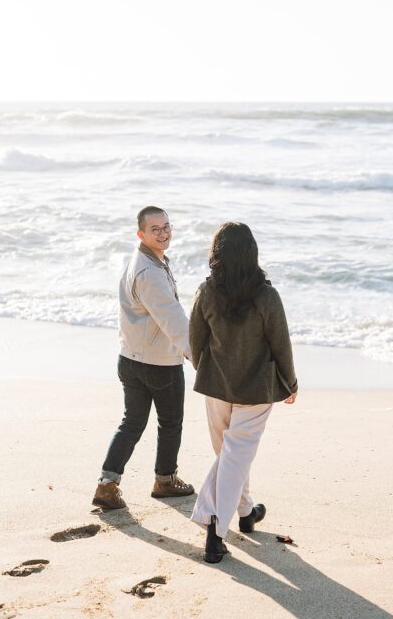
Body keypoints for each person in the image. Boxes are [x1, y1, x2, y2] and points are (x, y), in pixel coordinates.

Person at [188, 222, 297, 564]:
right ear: (253, 253)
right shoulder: (266, 295)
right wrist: (290, 383)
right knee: (235, 457)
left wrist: (208, 369)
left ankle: (247, 511)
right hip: (255, 388)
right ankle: (214, 530)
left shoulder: (206, 291)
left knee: (231, 455)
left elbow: (195, 342)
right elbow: (282, 344)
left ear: (216, 254)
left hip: (216, 386)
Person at [93, 206, 195, 511]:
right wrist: (198, 355)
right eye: (155, 229)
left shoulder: (141, 260)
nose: (163, 233)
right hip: (158, 363)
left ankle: (107, 484)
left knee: (132, 423)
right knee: (170, 423)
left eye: (166, 227)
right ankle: (165, 481)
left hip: (130, 358)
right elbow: (172, 318)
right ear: (141, 233)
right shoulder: (150, 272)